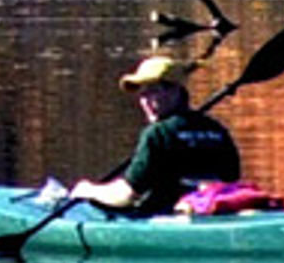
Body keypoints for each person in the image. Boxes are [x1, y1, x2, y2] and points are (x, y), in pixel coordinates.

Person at [64, 52, 244, 218]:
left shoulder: (157, 133)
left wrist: (88, 190)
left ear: (175, 91)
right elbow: (231, 179)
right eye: (142, 94)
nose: (145, 100)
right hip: (206, 214)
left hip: (163, 216)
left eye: (153, 91)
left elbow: (126, 195)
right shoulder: (216, 129)